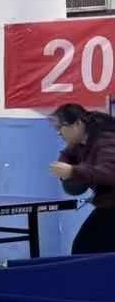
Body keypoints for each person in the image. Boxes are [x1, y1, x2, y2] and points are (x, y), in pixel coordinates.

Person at [49, 102, 115, 253]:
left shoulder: (106, 140)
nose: (59, 133)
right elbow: (67, 155)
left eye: (61, 127)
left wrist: (73, 171)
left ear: (77, 124)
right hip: (108, 206)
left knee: (83, 249)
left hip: (111, 207)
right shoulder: (80, 143)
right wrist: (66, 164)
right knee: (83, 248)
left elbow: (109, 174)